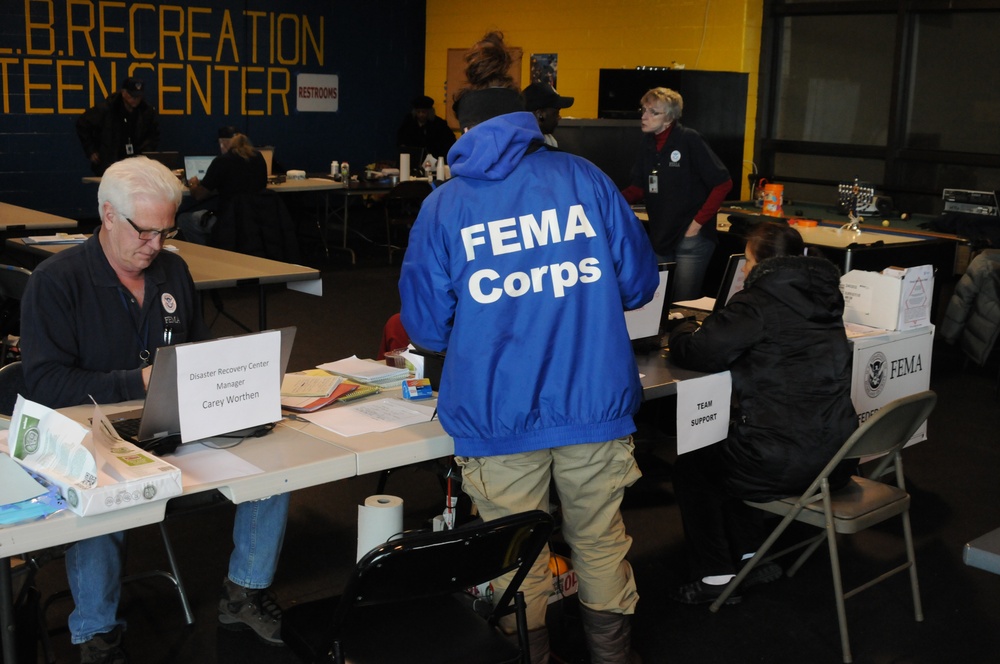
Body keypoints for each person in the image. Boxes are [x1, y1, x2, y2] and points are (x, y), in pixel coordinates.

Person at [399, 31, 658, 664]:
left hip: (496, 413)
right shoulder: (586, 180)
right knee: (599, 541)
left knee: (517, 557)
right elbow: (639, 283)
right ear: (524, 117)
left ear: (461, 128)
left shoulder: (443, 208)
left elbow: (428, 331)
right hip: (593, 401)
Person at [19, 156, 290, 663]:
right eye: (144, 232)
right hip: (93, 431)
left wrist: (233, 380)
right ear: (107, 216)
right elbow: (44, 383)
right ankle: (96, 635)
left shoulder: (172, 270)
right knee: (93, 493)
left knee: (270, 469)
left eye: (165, 232)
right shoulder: (57, 282)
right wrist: (141, 382)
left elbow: (199, 350)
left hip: (172, 421)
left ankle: (243, 592)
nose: (156, 246)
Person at [666, 221, 858, 605]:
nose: (746, 270)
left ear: (761, 264)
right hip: (837, 457)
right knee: (738, 445)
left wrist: (680, 332)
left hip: (786, 462)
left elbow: (702, 352)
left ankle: (716, 577)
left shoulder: (758, 302)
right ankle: (752, 556)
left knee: (694, 465)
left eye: (749, 262)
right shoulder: (827, 298)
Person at [621, 87, 732, 301]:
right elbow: (639, 188)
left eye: (653, 112)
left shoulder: (689, 139)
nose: (644, 116)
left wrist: (697, 224)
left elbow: (722, 183)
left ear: (669, 118)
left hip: (690, 236)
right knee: (658, 299)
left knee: (682, 301)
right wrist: (609, 200)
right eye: (643, 110)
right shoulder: (648, 143)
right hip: (661, 234)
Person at [179, 126, 268, 245]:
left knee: (184, 219)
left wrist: (193, 183)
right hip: (256, 220)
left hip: (228, 222)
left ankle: (206, 254)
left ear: (222, 143)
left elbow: (199, 195)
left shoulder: (222, 161)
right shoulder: (259, 158)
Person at [76, 76, 161, 176]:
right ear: (123, 93)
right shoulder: (107, 109)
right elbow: (82, 123)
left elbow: (154, 134)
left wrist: (146, 154)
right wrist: (91, 150)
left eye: (138, 97)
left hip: (136, 164)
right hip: (110, 163)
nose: (135, 100)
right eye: (132, 96)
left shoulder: (146, 112)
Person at [396, 94, 457, 164]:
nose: (421, 115)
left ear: (429, 112)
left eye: (423, 112)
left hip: (434, 159)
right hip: (413, 159)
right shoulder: (408, 123)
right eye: (418, 112)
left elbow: (449, 141)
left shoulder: (439, 124)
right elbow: (401, 140)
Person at [522, 82, 574, 148]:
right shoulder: (523, 147)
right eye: (556, 113)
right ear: (540, 115)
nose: (559, 117)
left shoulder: (548, 140)